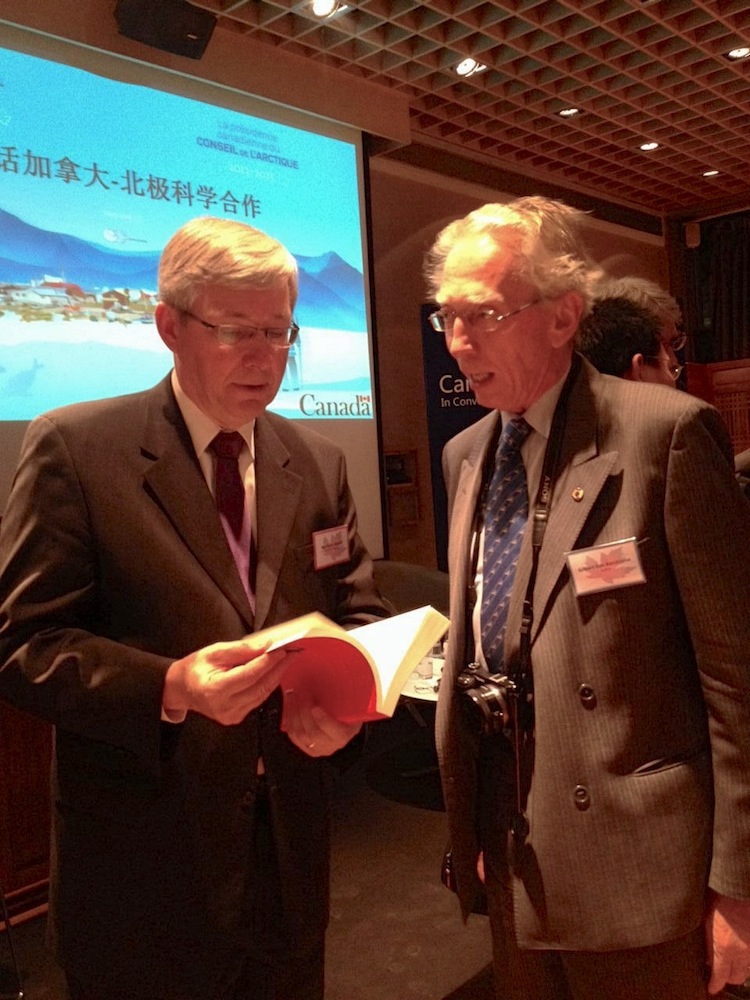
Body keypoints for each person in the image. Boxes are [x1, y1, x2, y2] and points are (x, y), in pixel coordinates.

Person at [0, 216, 388, 1000]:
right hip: (144, 873)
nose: (264, 357)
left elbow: (359, 613)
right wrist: (171, 686)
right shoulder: (78, 447)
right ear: (169, 326)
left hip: (288, 862)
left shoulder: (316, 461)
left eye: (279, 332)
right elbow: (25, 644)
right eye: (236, 330)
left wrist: (348, 707)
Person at [425, 196, 750, 1000]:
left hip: (645, 876)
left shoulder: (664, 434)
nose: (459, 341)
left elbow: (735, 681)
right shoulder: (466, 453)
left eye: (483, 313)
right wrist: (471, 820)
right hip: (513, 856)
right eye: (447, 316)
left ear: (564, 316)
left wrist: (739, 887)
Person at [576, 295, 682, 386]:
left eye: (673, 343)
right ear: (638, 369)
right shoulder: (676, 402)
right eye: (663, 345)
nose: (673, 360)